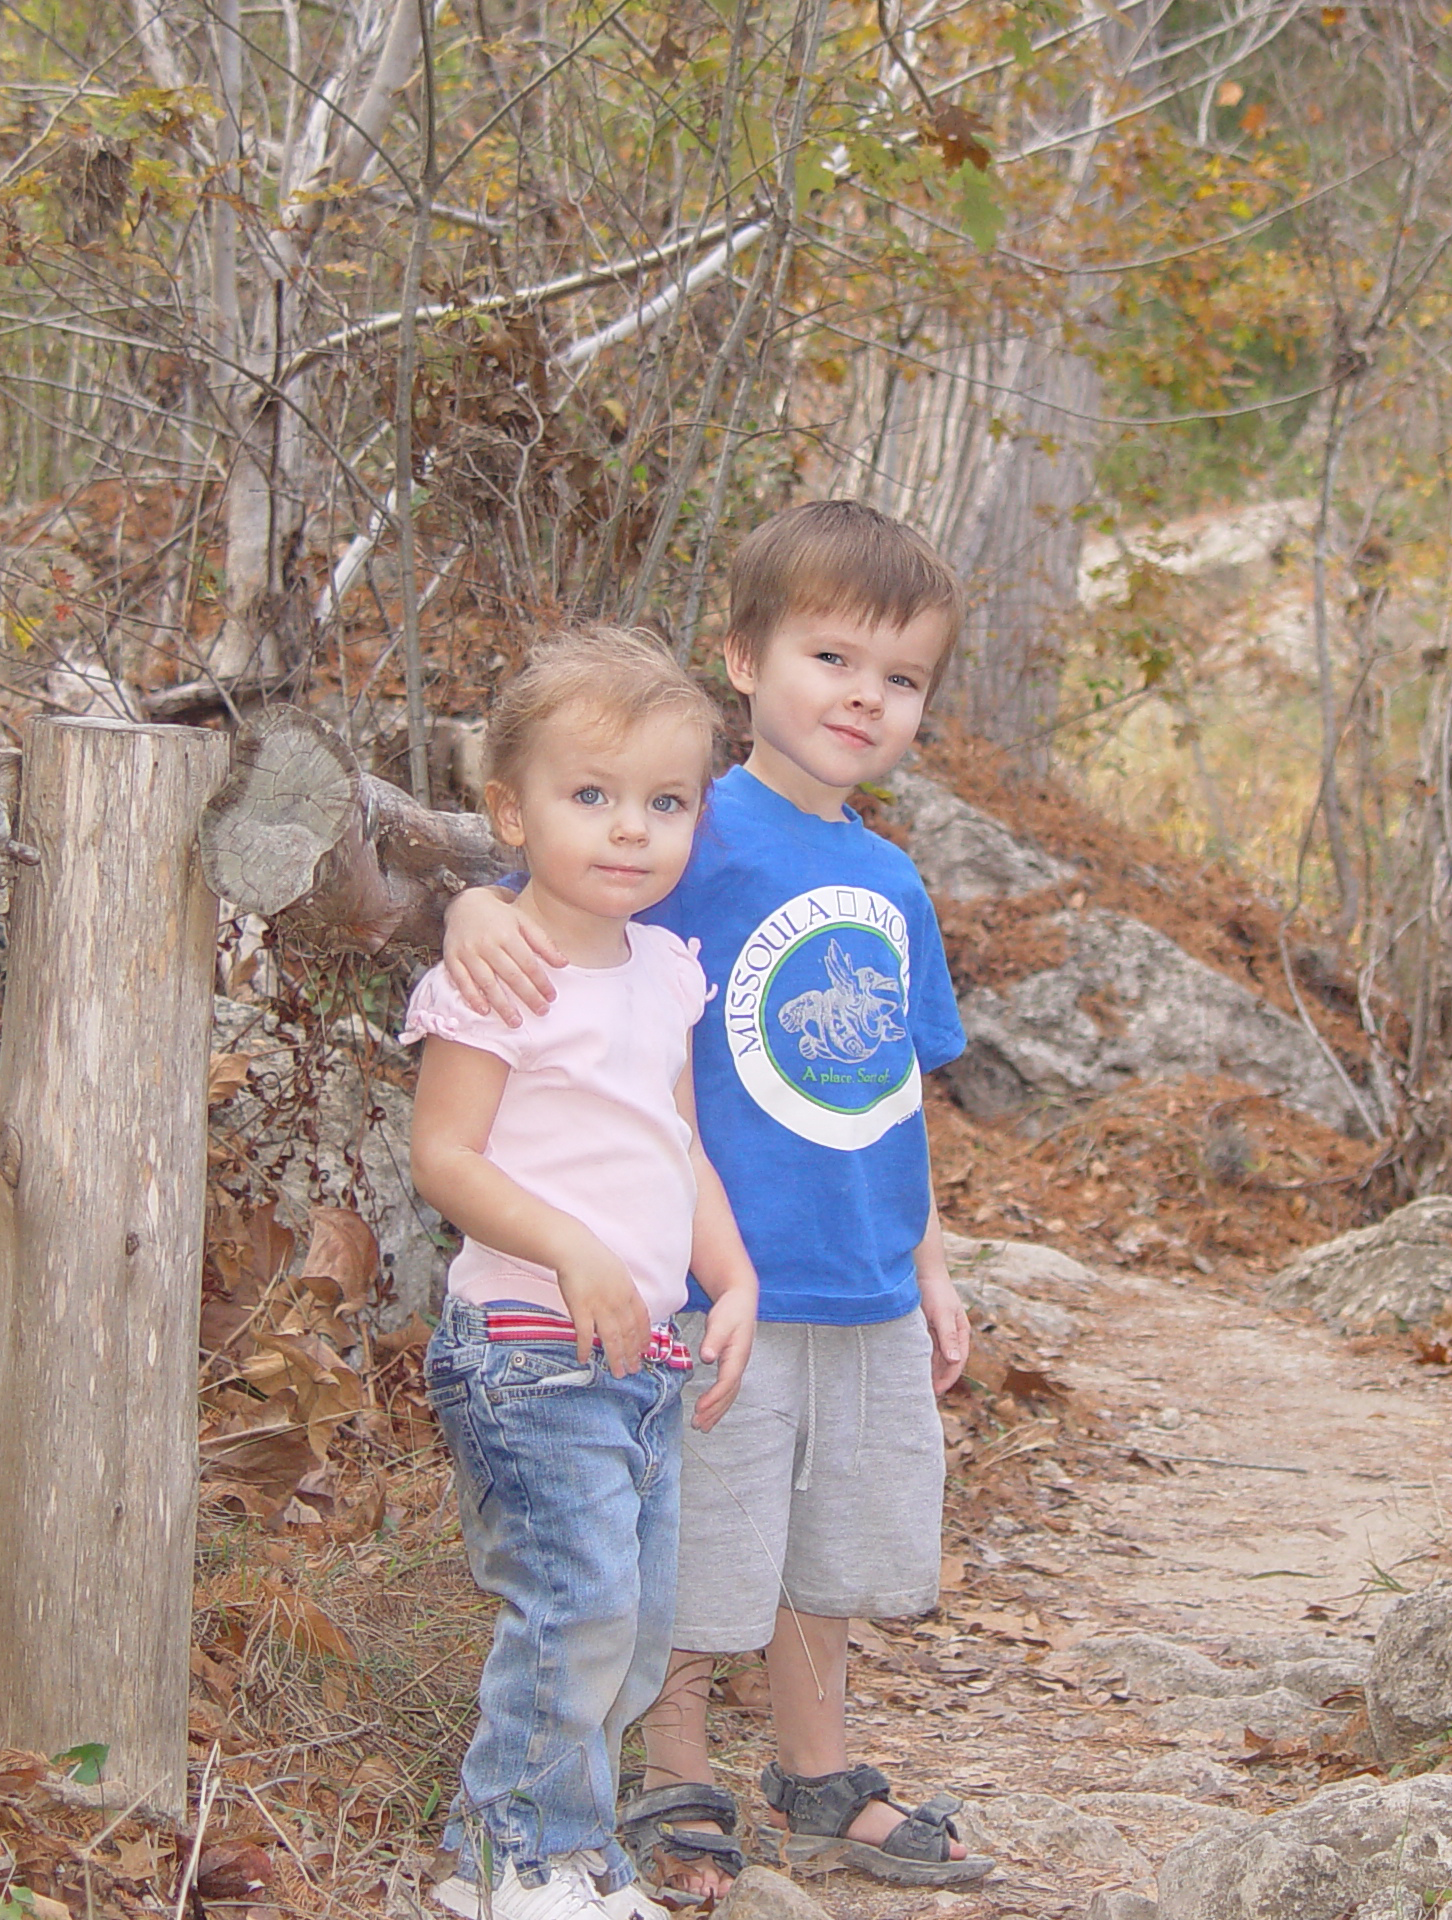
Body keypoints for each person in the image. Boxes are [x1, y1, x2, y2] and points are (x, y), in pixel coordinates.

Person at [442, 500, 995, 1898]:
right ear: (744, 660)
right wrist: (474, 906)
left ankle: (818, 1774)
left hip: (862, 1271)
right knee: (704, 1539)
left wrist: (929, 1259)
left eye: (902, 677)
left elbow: (891, 1088)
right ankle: (673, 1774)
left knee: (833, 1545)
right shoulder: (689, 830)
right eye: (831, 658)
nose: (864, 697)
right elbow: (558, 919)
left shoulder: (892, 877)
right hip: (713, 1277)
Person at [405, 626, 763, 1920]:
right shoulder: (501, 963)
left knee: (634, 1626)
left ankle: (561, 1849)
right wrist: (568, 1251)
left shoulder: (665, 971)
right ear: (511, 808)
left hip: (647, 1355)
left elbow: (679, 1149)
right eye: (592, 797)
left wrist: (734, 1281)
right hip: (527, 1345)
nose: (631, 832)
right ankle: (515, 1861)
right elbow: (443, 1156)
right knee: (576, 1610)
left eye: (666, 804)